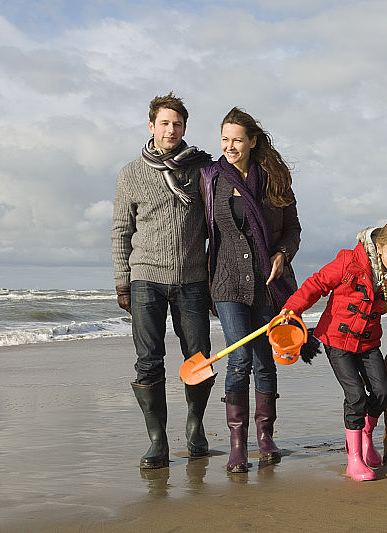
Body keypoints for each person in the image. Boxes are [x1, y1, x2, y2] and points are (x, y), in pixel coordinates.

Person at [281, 220, 387, 482]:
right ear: (379, 247)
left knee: (383, 393)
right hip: (336, 339)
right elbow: (316, 284)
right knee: (356, 396)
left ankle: (366, 437)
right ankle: (354, 458)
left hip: (369, 342)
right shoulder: (349, 262)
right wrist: (292, 309)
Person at [111, 92, 214, 469]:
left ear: (185, 128)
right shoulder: (131, 174)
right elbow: (121, 230)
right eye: (165, 123)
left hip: (192, 281)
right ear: (151, 126)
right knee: (148, 362)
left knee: (199, 359)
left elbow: (218, 226)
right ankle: (157, 441)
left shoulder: (203, 170)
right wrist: (123, 281)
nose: (171, 130)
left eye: (178, 124)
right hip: (146, 281)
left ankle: (195, 425)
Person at [201, 107, 302, 473]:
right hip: (227, 280)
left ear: (252, 141)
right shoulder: (211, 178)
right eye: (224, 139)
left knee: (264, 361)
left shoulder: (275, 181)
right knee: (240, 358)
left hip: (267, 281)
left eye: (237, 140)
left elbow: (293, 228)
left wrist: (282, 254)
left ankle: (265, 437)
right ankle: (237, 443)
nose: (230, 146)